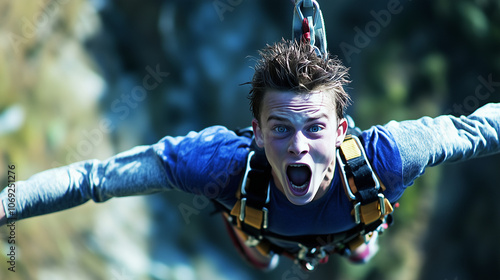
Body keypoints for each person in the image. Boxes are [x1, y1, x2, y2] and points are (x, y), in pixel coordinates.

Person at [1, 39, 499, 271]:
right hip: (262, 233)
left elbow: (481, 129)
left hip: (350, 223)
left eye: (315, 128)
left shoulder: (389, 158)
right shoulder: (219, 166)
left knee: (360, 247)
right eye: (280, 129)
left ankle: (356, 247)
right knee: (262, 254)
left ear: (342, 129)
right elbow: (95, 179)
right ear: (257, 132)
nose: (298, 145)